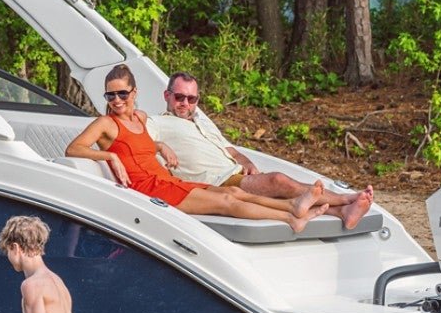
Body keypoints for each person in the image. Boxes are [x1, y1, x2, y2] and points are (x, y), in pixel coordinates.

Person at [64, 65, 328, 232]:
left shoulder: (141, 118)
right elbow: (73, 149)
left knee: (234, 190)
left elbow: (139, 145)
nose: (116, 100)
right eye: (110, 95)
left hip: (167, 180)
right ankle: (290, 217)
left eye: (122, 93)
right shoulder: (105, 123)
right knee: (226, 201)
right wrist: (109, 154)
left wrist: (160, 144)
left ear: (134, 93)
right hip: (148, 191)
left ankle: (293, 206)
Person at [148, 71, 374, 230]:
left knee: (279, 186)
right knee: (278, 181)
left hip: (236, 172)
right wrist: (160, 146)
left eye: (191, 98)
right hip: (216, 182)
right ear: (167, 96)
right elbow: (133, 140)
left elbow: (231, 150)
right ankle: (346, 199)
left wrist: (245, 161)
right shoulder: (156, 123)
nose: (185, 103)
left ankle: (340, 212)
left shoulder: (202, 122)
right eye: (179, 97)